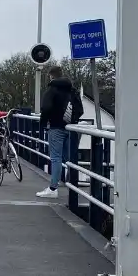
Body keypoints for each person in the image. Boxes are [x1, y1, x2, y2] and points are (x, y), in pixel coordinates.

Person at [36, 66, 83, 198]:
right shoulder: (73, 90)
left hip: (56, 127)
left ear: (51, 76)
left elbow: (46, 108)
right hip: (71, 127)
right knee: (70, 159)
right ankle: (74, 187)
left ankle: (53, 189)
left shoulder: (52, 90)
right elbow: (80, 109)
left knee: (55, 158)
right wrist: (72, 120)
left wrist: (44, 124)